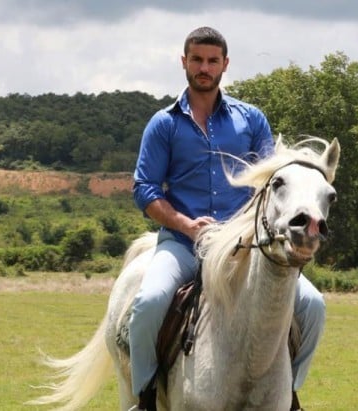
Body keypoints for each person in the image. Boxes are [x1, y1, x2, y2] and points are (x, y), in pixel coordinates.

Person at [129, 26, 325, 411]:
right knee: (149, 302)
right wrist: (186, 225)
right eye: (197, 60)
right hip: (183, 244)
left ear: (225, 65)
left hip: (244, 250)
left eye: (212, 60)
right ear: (184, 62)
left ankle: (291, 394)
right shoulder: (164, 124)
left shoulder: (251, 120)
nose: (205, 67)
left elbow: (273, 184)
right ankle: (146, 397)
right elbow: (145, 189)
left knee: (314, 307)